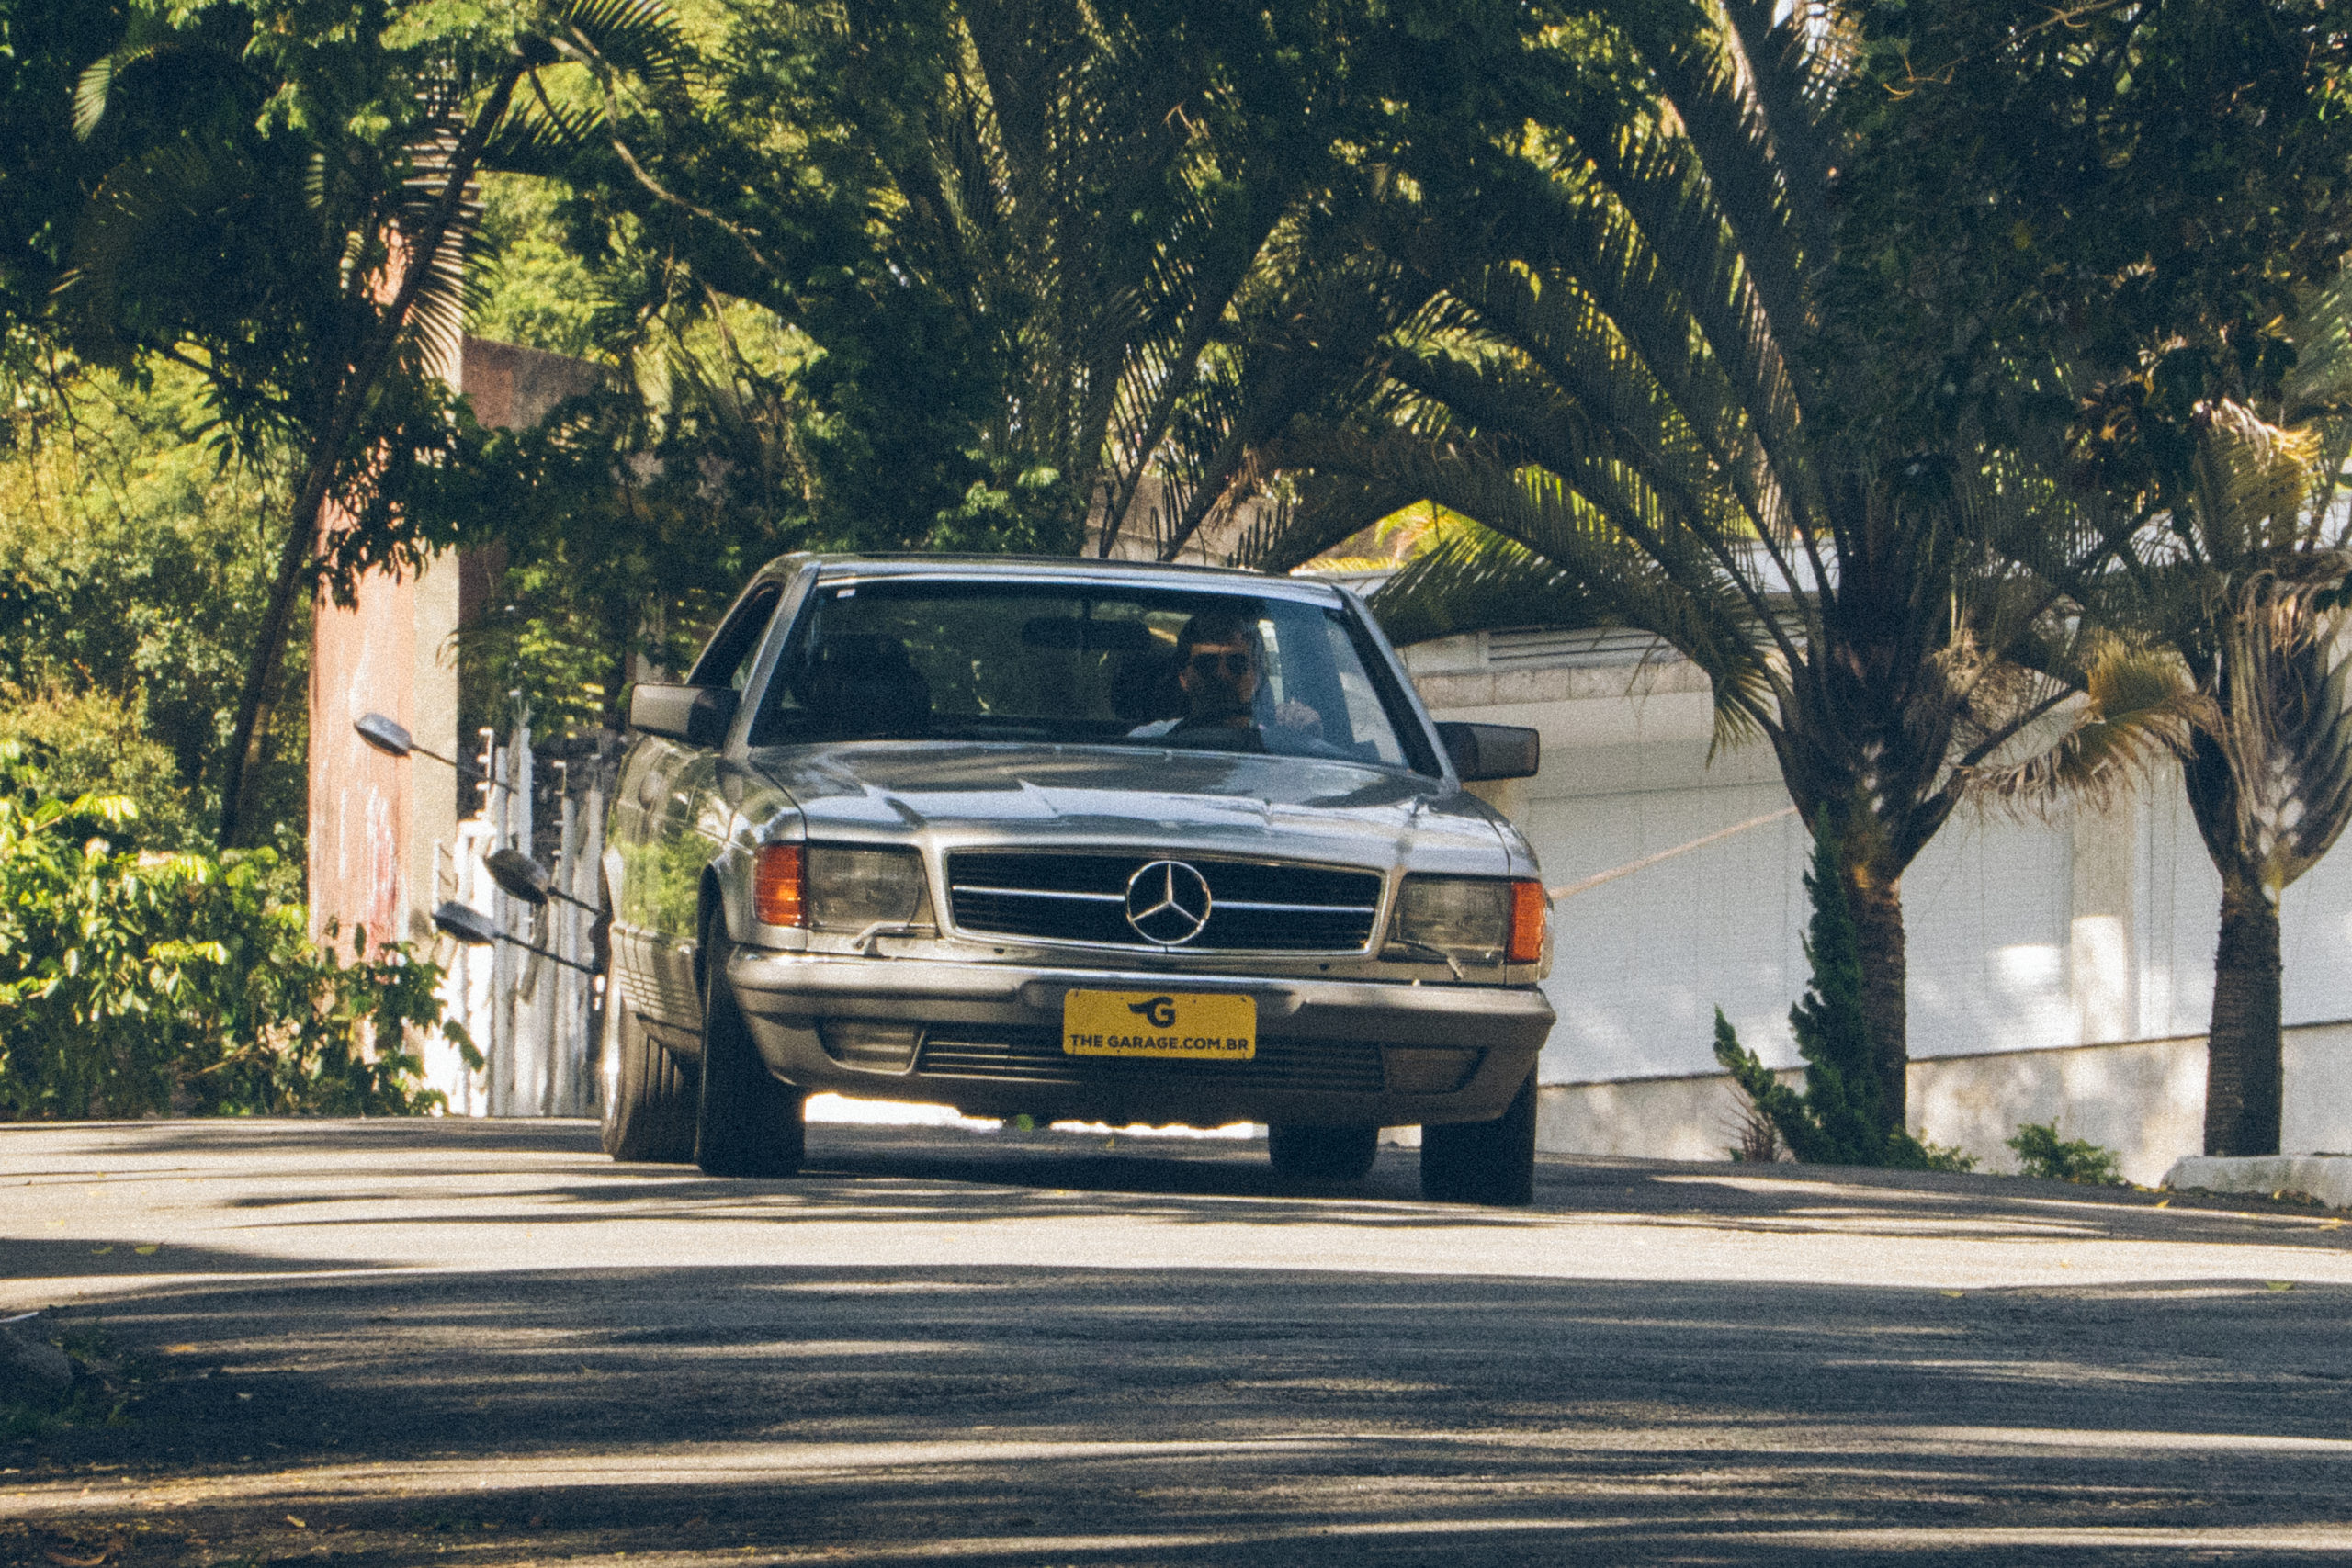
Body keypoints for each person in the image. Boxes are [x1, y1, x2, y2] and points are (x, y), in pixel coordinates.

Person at [1127, 604, 1325, 752]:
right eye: (1206, 663)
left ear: (1256, 676)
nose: (1221, 674)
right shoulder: (1147, 744)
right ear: (1183, 677)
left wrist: (1309, 739)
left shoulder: (1282, 744)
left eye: (1237, 663)